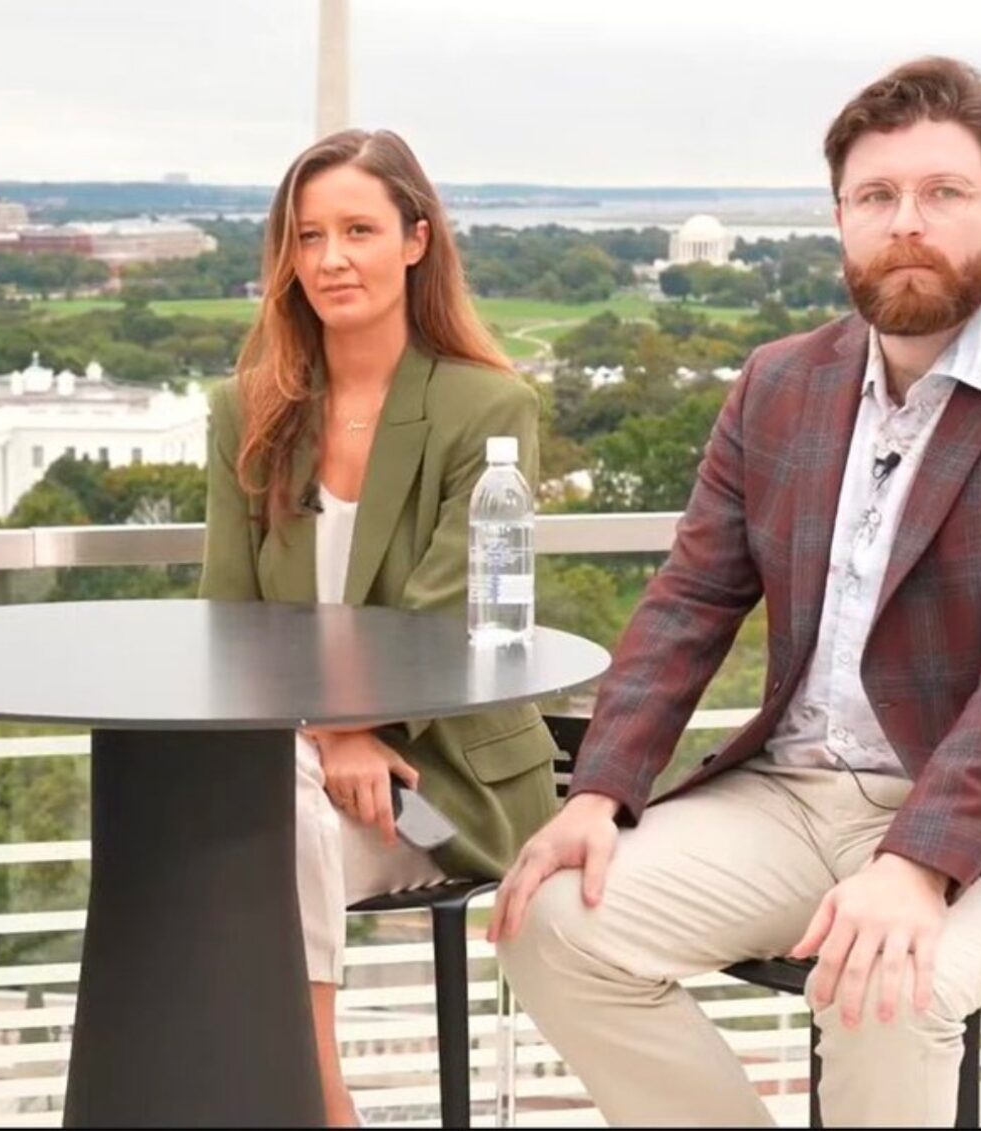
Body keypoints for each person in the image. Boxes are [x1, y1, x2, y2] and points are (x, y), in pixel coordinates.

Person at [488, 58, 981, 1127]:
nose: (906, 223)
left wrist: (920, 864)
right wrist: (599, 791)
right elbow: (691, 599)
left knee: (888, 984)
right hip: (790, 795)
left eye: (943, 195)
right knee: (549, 920)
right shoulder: (779, 384)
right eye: (877, 197)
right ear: (840, 219)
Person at [200, 128, 558, 1126]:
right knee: (243, 825)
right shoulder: (250, 411)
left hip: (442, 797)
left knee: (258, 840)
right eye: (307, 236)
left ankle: (317, 1105)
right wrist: (326, 733)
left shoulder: (487, 405)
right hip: (305, 769)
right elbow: (230, 624)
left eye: (357, 229)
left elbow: (438, 621)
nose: (330, 260)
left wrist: (354, 731)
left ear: (416, 239)